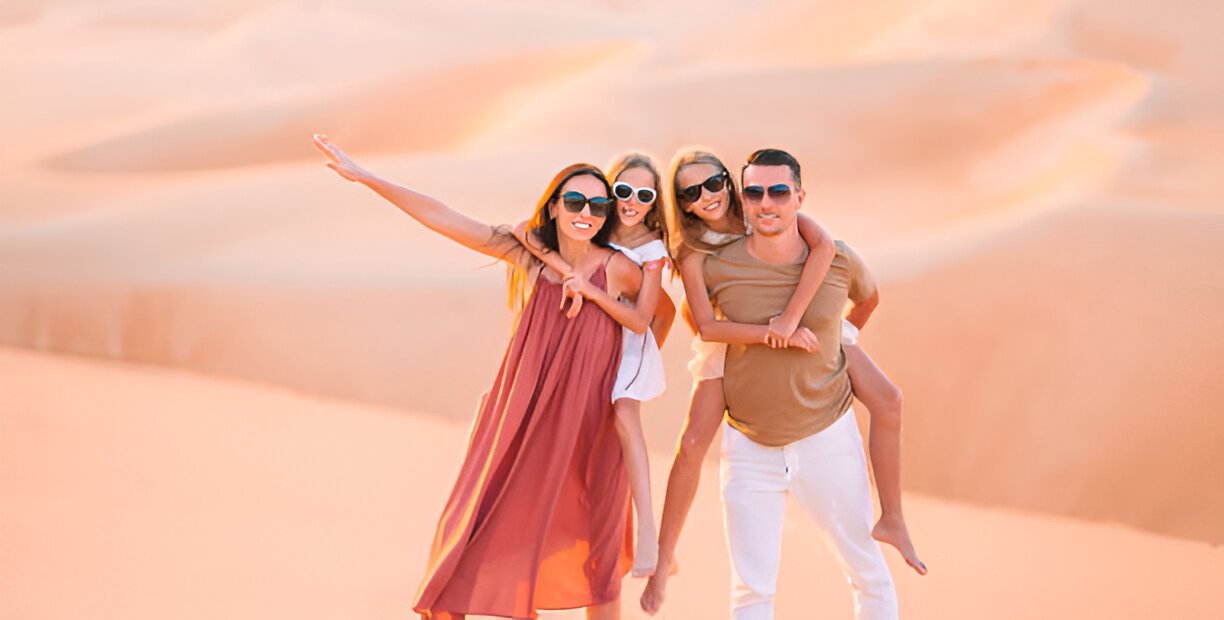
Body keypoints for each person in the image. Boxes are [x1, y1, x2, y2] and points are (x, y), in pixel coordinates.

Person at [314, 134, 642, 620]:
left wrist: (625, 384)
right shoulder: (528, 257)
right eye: (575, 200)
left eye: (597, 203)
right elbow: (444, 217)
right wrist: (369, 179)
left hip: (591, 422)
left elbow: (657, 319)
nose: (586, 211)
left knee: (599, 547)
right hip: (525, 419)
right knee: (484, 525)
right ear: (553, 208)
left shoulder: (618, 270)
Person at [697, 148, 899, 618]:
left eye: (779, 191)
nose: (766, 203)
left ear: (799, 197)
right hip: (747, 444)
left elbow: (867, 301)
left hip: (827, 436)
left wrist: (836, 341)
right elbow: (700, 324)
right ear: (742, 200)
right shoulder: (717, 266)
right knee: (750, 589)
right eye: (754, 192)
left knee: (867, 572)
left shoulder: (838, 257)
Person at [509, 152, 676, 578]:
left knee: (624, 414)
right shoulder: (597, 228)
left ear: (655, 203)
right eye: (622, 191)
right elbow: (525, 234)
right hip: (597, 344)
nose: (631, 201)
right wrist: (561, 265)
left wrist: (596, 296)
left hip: (632, 344)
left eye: (644, 195)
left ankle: (650, 541)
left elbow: (649, 315)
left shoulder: (652, 252)